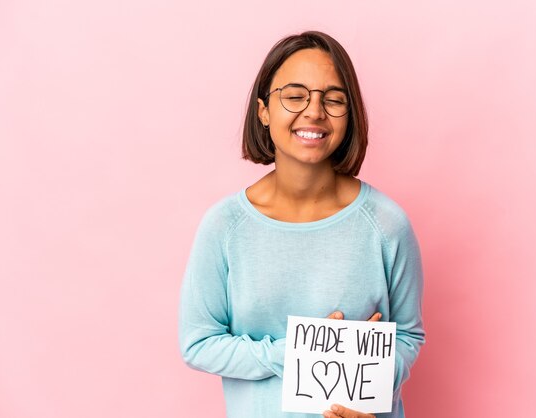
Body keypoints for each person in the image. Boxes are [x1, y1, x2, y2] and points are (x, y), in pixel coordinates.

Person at [178, 30, 425, 418]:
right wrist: (300, 354)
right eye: (295, 96)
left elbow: (408, 335)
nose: (314, 111)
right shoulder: (225, 226)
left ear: (350, 114)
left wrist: (375, 377)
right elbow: (198, 343)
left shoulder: (387, 224)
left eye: (333, 99)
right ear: (264, 111)